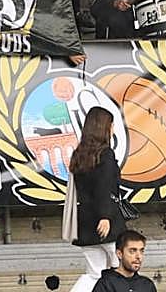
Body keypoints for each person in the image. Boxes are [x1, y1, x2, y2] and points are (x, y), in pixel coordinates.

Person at [66, 106, 126, 292]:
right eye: (111, 124)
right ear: (104, 127)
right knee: (121, 269)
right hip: (106, 222)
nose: (113, 127)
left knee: (94, 273)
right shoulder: (105, 154)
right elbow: (104, 187)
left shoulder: (79, 154)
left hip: (85, 221)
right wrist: (105, 216)